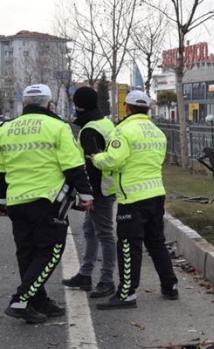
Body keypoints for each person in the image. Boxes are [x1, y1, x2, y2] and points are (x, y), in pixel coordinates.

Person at [0, 84, 93, 323]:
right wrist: (85, 194)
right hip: (46, 199)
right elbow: (73, 165)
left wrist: (2, 200)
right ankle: (21, 300)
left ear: (24, 104)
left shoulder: (6, 129)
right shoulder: (58, 127)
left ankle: (38, 301)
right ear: (49, 104)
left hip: (16, 201)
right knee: (51, 251)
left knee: (27, 253)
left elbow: (0, 171)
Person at [91, 90, 178, 310]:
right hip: (156, 194)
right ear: (147, 109)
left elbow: (113, 160)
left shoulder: (123, 131)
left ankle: (127, 293)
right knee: (156, 241)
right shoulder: (157, 132)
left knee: (129, 245)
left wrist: (96, 158)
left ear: (126, 107)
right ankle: (170, 286)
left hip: (132, 198)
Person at [62, 87, 117, 298]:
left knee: (104, 234)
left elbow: (93, 164)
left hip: (99, 189)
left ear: (78, 105)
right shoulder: (104, 122)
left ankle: (106, 280)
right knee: (89, 229)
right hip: (107, 184)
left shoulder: (89, 130)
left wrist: (89, 195)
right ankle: (85, 274)